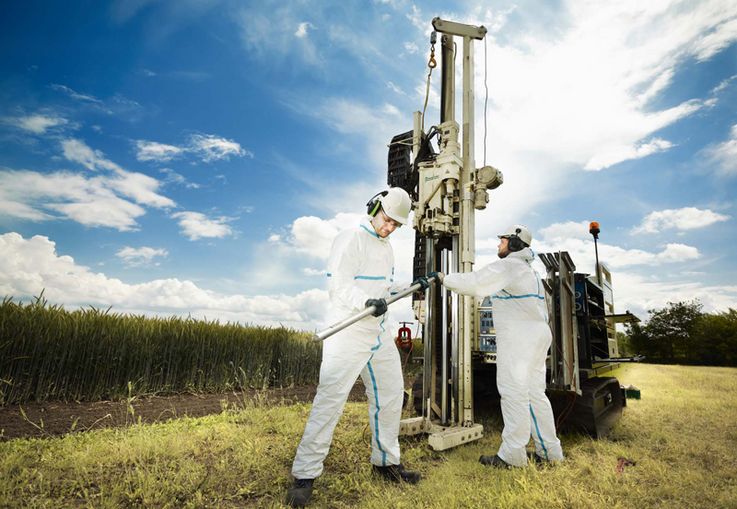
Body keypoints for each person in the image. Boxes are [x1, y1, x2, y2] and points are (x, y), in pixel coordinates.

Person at [287, 188, 425, 507]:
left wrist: (411, 286)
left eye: (396, 225)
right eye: (388, 220)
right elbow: (339, 284)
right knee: (331, 400)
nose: (390, 228)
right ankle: (304, 475)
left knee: (391, 395)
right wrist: (365, 301)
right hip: (348, 329)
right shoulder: (351, 237)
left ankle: (386, 463)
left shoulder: (386, 246)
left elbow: (384, 287)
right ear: (375, 208)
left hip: (377, 329)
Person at [430, 225, 564, 468]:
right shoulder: (529, 271)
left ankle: (512, 455)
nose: (498, 245)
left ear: (514, 243)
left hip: (519, 338)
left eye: (502, 241)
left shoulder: (510, 266)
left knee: (514, 393)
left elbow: (476, 282)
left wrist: (443, 278)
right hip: (538, 335)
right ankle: (550, 452)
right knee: (535, 395)